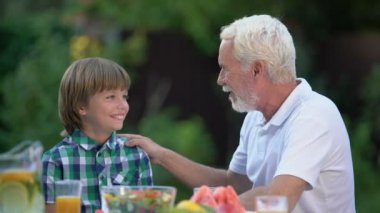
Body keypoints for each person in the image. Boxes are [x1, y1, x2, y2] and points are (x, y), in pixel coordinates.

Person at [124, 15, 356, 212]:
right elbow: (231, 184)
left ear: (257, 70)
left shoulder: (313, 115)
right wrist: (161, 154)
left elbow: (278, 199)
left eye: (225, 69)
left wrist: (201, 208)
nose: (220, 79)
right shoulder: (255, 117)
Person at [42, 57, 153, 213]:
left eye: (124, 96)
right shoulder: (55, 160)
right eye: (110, 97)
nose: (123, 105)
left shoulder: (137, 156)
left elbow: (147, 210)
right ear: (81, 107)